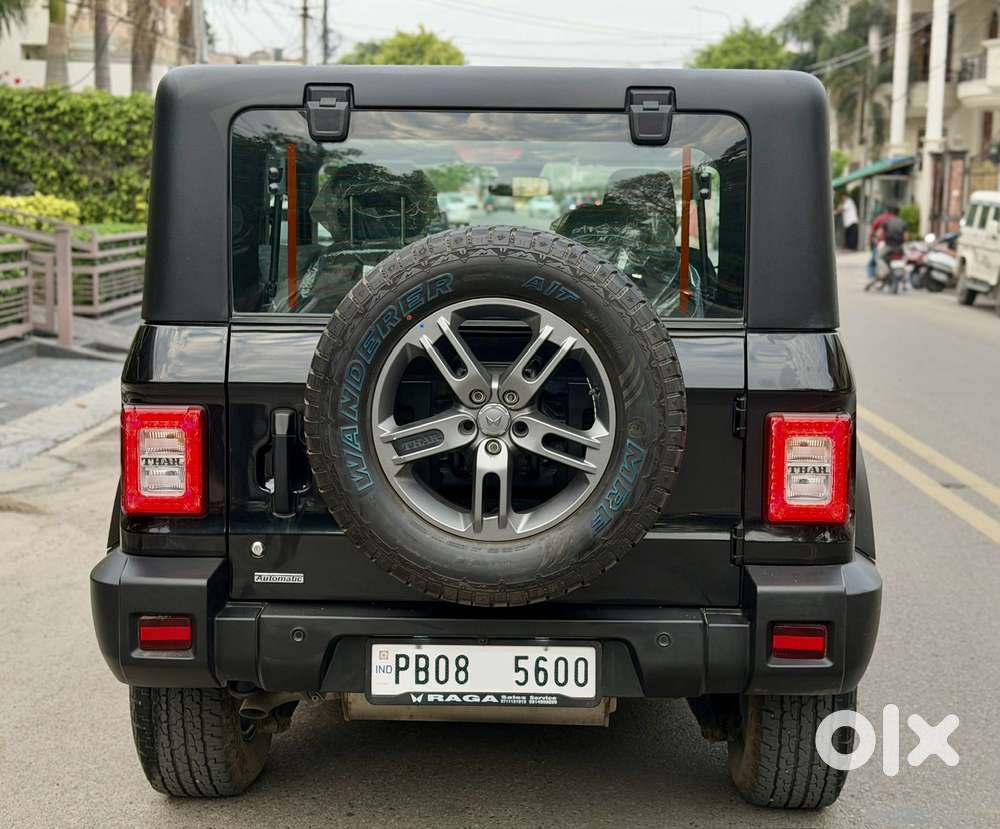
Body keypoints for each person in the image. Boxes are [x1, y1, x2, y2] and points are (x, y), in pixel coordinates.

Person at [867, 205, 895, 279]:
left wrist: (869, 241)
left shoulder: (880, 218)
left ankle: (871, 278)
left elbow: (873, 231)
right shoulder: (895, 219)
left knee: (872, 262)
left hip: (881, 243)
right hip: (893, 244)